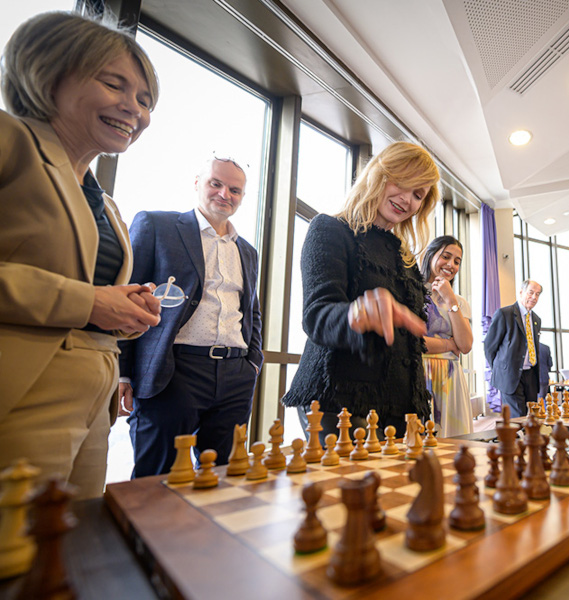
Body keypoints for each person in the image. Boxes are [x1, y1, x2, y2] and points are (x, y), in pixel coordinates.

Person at [0, 12, 161, 498]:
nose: (134, 109)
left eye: (145, 100)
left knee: (73, 539)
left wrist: (125, 311)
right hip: (19, 393)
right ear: (47, 75)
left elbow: (87, 295)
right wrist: (87, 301)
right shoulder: (9, 140)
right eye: (114, 84)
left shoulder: (106, 204)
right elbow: (78, 297)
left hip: (94, 404)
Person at [282, 142, 439, 438]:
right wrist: (358, 314)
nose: (406, 199)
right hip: (339, 400)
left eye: (418, 194)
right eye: (402, 183)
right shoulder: (330, 229)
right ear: (379, 174)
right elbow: (317, 316)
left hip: (399, 405)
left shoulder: (405, 257)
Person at [118, 158, 263, 477]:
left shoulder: (248, 251)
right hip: (174, 371)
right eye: (216, 184)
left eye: (235, 190)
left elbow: (251, 311)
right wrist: (123, 373)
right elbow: (127, 295)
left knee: (223, 478)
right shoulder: (157, 226)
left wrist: (252, 362)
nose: (225, 194)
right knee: (157, 478)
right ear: (197, 183)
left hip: (236, 374)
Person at [421, 235, 473, 437]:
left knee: (455, 444)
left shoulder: (458, 301)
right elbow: (414, 342)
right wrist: (450, 345)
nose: (451, 265)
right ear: (430, 255)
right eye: (446, 256)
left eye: (457, 261)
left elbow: (466, 345)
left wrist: (450, 299)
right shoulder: (411, 293)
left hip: (451, 381)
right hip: (419, 374)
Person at [484, 280, 543, 418]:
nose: (534, 297)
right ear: (521, 292)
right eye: (531, 292)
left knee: (531, 417)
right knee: (518, 417)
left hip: (530, 374)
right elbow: (489, 347)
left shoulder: (536, 319)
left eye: (537, 294)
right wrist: (502, 369)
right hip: (510, 375)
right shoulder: (505, 314)